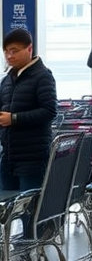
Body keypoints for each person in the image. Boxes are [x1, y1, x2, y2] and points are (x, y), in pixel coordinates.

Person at [1, 28, 58, 193]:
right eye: (6, 52)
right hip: (8, 156)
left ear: (29, 49)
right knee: (7, 209)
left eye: (14, 51)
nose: (9, 56)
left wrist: (14, 119)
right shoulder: (7, 80)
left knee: (30, 209)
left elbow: (49, 111)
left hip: (33, 158)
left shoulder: (43, 76)